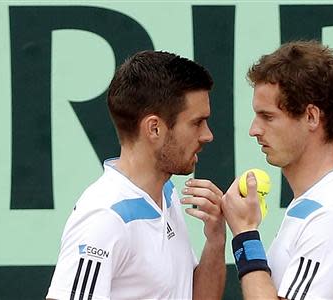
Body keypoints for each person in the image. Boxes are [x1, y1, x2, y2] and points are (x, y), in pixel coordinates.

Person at [46, 50, 226, 300]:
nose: (208, 135)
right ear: (154, 128)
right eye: (197, 122)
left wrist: (216, 240)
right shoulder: (105, 217)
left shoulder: (167, 193)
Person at [222, 40, 333, 299]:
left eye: (268, 117)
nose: (254, 130)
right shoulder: (317, 201)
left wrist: (245, 234)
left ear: (311, 117)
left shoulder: (332, 214)